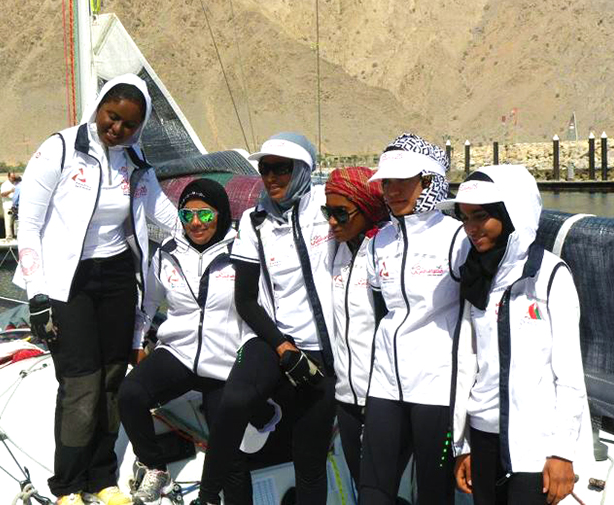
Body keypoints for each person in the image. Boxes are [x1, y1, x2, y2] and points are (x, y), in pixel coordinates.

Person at [14, 74, 177, 505]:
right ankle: (68, 485)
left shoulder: (133, 157)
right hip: (68, 282)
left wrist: (211, 231)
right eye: (112, 116)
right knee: (80, 384)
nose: (117, 129)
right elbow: (27, 227)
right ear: (99, 107)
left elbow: (159, 209)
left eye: (129, 123)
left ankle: (102, 477)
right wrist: (36, 295)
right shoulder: (61, 149)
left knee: (111, 378)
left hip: (118, 276)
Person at [195, 132, 337, 505]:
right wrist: (282, 346)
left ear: (304, 170)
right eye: (265, 169)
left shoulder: (327, 208)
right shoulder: (254, 220)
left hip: (323, 350)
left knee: (309, 461)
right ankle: (208, 497)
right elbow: (245, 300)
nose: (271, 178)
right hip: (274, 339)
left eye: (281, 169)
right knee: (234, 400)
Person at [118, 178, 278, 505]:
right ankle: (156, 467)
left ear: (220, 215)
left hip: (227, 361)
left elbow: (266, 305)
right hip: (180, 352)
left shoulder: (242, 251)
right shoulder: (167, 252)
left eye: (205, 216)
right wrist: (137, 341)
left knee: (228, 452)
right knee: (130, 394)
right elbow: (149, 302)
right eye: (187, 215)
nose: (195, 223)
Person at [440, 165, 592, 505]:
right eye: (465, 218)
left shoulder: (550, 276)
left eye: (481, 217)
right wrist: (462, 445)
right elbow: (467, 361)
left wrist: (562, 452)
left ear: (512, 214)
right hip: (482, 437)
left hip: (533, 447)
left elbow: (568, 373)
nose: (471, 229)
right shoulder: (476, 275)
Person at [360, 133, 468, 505]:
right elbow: (378, 311)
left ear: (428, 182)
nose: (392, 190)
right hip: (385, 383)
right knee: (373, 491)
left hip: (437, 388)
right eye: (386, 182)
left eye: (403, 181)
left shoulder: (457, 238)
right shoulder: (378, 242)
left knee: (434, 494)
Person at [323, 166, 390, 488]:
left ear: (368, 209)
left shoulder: (384, 254)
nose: (332, 222)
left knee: (378, 488)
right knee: (361, 483)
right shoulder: (337, 250)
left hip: (380, 399)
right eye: (328, 212)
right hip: (346, 397)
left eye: (341, 213)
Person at [0, 171, 18, 239]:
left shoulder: (16, 184)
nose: (13, 179)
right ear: (8, 177)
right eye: (12, 177)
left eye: (14, 177)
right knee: (8, 221)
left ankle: (16, 236)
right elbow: (2, 194)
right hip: (8, 207)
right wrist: (10, 191)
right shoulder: (5, 185)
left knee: (15, 221)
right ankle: (9, 237)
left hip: (15, 206)